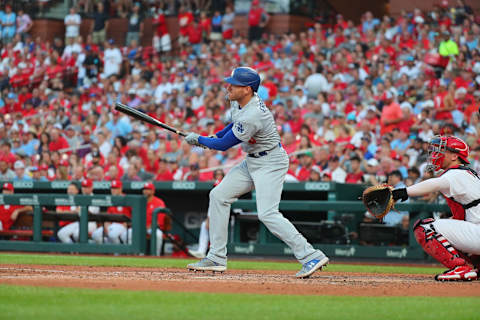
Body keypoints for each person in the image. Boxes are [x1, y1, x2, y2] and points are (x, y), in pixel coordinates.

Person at [184, 67, 329, 278]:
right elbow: (232, 126)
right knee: (218, 195)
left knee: (267, 213)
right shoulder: (237, 102)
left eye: (234, 84)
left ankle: (310, 255)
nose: (228, 86)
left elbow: (224, 145)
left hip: (271, 162)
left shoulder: (254, 114)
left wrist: (201, 140)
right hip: (252, 160)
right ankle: (216, 256)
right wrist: (212, 136)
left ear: (248, 89)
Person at [391, 136, 480, 281]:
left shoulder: (456, 173)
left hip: (478, 234)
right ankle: (475, 266)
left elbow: (434, 184)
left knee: (425, 227)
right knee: (447, 225)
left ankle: (461, 268)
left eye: (442, 150)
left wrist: (403, 192)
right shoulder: (467, 174)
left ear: (454, 156)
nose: (436, 154)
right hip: (476, 232)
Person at [120, 182, 166, 255]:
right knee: (126, 234)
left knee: (158, 235)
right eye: (144, 189)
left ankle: (156, 256)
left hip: (153, 228)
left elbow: (158, 222)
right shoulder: (139, 201)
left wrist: (145, 228)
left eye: (148, 189)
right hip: (139, 228)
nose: (145, 191)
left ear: (153, 191)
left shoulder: (159, 202)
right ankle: (132, 255)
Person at [91, 180, 131, 244]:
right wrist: (106, 225)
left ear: (120, 188)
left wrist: (128, 224)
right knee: (95, 235)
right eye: (112, 188)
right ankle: (108, 250)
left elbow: (134, 214)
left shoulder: (126, 198)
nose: (113, 190)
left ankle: (118, 252)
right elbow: (108, 216)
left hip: (122, 225)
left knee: (112, 235)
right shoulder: (111, 199)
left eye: (115, 188)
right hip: (111, 225)